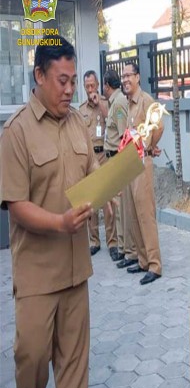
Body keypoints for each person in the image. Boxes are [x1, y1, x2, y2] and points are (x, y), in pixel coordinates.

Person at [0, 38, 110, 388]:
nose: (70, 89)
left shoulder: (78, 125)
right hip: (36, 273)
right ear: (40, 76)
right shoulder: (17, 132)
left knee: (74, 361)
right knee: (31, 358)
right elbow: (16, 205)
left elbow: (94, 175)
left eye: (72, 80)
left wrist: (115, 179)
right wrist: (61, 223)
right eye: (62, 81)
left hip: (74, 267)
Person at [119, 62, 163, 285]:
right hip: (130, 163)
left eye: (129, 75)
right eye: (123, 76)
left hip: (141, 163)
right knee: (134, 213)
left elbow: (160, 125)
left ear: (137, 77)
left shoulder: (146, 101)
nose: (125, 79)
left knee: (145, 213)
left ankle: (155, 265)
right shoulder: (129, 103)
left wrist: (149, 146)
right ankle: (144, 260)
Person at [80, 70, 118, 259]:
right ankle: (94, 241)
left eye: (93, 85)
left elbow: (112, 121)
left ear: (97, 84)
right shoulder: (81, 110)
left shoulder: (106, 103)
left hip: (105, 155)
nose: (90, 89)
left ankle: (112, 242)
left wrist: (99, 103)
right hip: (90, 158)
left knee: (108, 200)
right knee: (92, 203)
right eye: (87, 86)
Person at [103, 69, 130, 262]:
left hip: (117, 158)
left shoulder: (119, 102)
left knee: (119, 207)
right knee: (116, 204)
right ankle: (122, 246)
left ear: (106, 85)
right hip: (110, 158)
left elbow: (123, 136)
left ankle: (123, 247)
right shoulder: (113, 102)